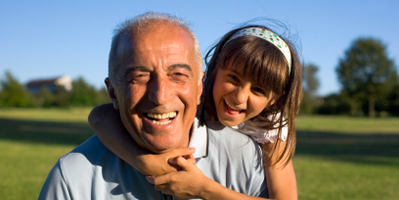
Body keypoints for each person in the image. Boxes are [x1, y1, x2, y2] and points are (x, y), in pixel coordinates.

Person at [38, 12, 268, 200]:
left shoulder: (245, 156)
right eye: (139, 76)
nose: (160, 96)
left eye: (178, 74)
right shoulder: (72, 178)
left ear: (199, 87)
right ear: (113, 93)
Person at [90, 24, 302, 199]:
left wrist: (204, 189)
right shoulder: (194, 98)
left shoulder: (270, 130)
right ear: (214, 70)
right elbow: (98, 116)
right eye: (233, 79)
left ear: (275, 98)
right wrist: (143, 161)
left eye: (258, 90)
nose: (239, 97)